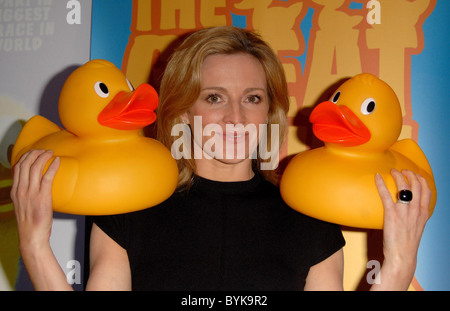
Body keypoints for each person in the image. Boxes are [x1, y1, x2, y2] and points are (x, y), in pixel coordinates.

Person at [10, 26, 431, 291]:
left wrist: (397, 268)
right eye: (214, 98)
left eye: (252, 98)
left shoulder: (308, 216)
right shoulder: (128, 211)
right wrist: (35, 247)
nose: (235, 117)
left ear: (270, 111)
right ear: (182, 111)